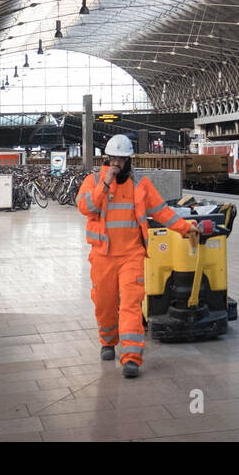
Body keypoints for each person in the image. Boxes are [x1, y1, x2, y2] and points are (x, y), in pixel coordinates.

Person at [75, 134, 199, 378]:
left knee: (131, 304)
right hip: (103, 256)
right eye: (113, 160)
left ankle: (131, 356)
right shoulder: (93, 181)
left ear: (129, 160)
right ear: (107, 160)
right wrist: (105, 185)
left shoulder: (141, 185)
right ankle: (108, 341)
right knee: (104, 304)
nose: (117, 164)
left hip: (131, 255)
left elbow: (162, 212)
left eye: (122, 160)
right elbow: (84, 207)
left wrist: (186, 229)